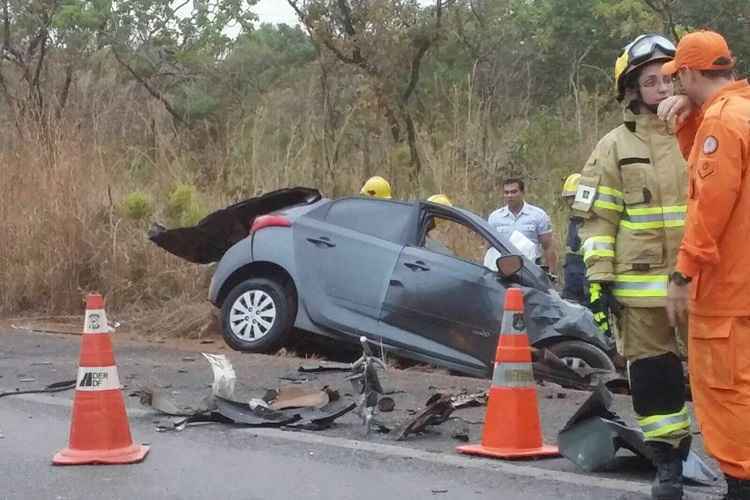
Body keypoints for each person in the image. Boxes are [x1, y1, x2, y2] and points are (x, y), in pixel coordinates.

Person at [573, 33, 690, 499]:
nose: (662, 87)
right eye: (650, 80)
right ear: (632, 90)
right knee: (655, 382)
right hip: (641, 295)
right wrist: (598, 279)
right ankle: (668, 464)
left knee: (726, 380)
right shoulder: (612, 147)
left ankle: (736, 467)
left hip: (708, 287)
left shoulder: (709, 131)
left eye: (669, 77)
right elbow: (598, 221)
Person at [660, 30, 750, 500]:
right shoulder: (738, 113)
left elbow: (710, 203)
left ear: (693, 73)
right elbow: (713, 172)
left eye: (679, 78)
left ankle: (741, 483)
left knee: (725, 391)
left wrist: (683, 273)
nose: (675, 88)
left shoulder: (721, 123)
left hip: (727, 289)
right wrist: (687, 123)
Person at [488, 178, 557, 275]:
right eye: (506, 192)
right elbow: (490, 248)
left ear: (522, 192)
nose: (510, 196)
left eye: (514, 192)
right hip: (503, 269)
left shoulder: (538, 215)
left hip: (531, 269)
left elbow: (548, 246)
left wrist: (552, 273)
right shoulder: (495, 217)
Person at [561, 173, 587, 304]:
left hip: (587, 280)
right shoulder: (574, 221)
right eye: (568, 198)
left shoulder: (592, 221)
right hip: (572, 280)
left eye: (573, 197)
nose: (570, 202)